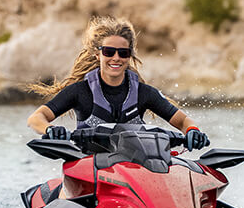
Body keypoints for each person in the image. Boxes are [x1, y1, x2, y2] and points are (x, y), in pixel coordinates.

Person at [25, 16, 209, 150]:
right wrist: (50, 130)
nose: (116, 58)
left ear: (130, 56)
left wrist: (192, 130)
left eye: (123, 53)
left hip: (135, 172)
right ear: (97, 54)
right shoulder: (79, 92)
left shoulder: (144, 93)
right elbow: (36, 118)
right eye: (109, 51)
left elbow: (183, 120)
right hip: (89, 169)